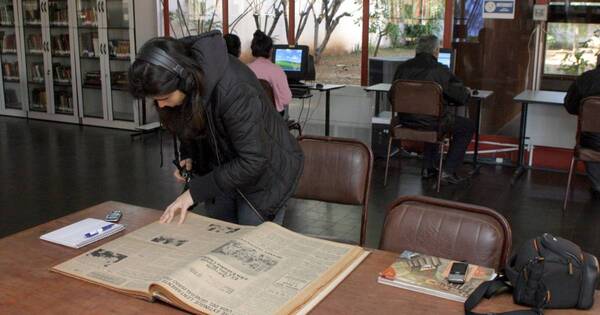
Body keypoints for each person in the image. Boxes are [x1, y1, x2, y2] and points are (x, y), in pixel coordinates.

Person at [128, 30, 304, 225]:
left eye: (165, 98)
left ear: (185, 80)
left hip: (265, 177)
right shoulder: (189, 82)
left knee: (250, 246)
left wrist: (194, 193)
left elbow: (253, 160)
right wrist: (189, 153)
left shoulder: (233, 88)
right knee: (221, 238)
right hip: (225, 168)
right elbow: (194, 122)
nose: (161, 106)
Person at [390, 35, 474, 184]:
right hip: (432, 124)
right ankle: (447, 171)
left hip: (405, 122)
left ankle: (428, 168)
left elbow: (392, 96)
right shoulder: (440, 70)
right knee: (466, 126)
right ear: (436, 51)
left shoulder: (402, 68)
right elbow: (459, 96)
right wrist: (466, 91)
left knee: (432, 117)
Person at [563, 56, 600, 199]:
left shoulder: (585, 79)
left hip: (590, 143)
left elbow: (570, 106)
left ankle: (597, 187)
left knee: (590, 140)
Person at [247, 30, 292, 117]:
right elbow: (286, 100)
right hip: (272, 118)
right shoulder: (277, 71)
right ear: (271, 50)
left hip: (250, 117)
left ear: (253, 49)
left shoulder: (245, 69)